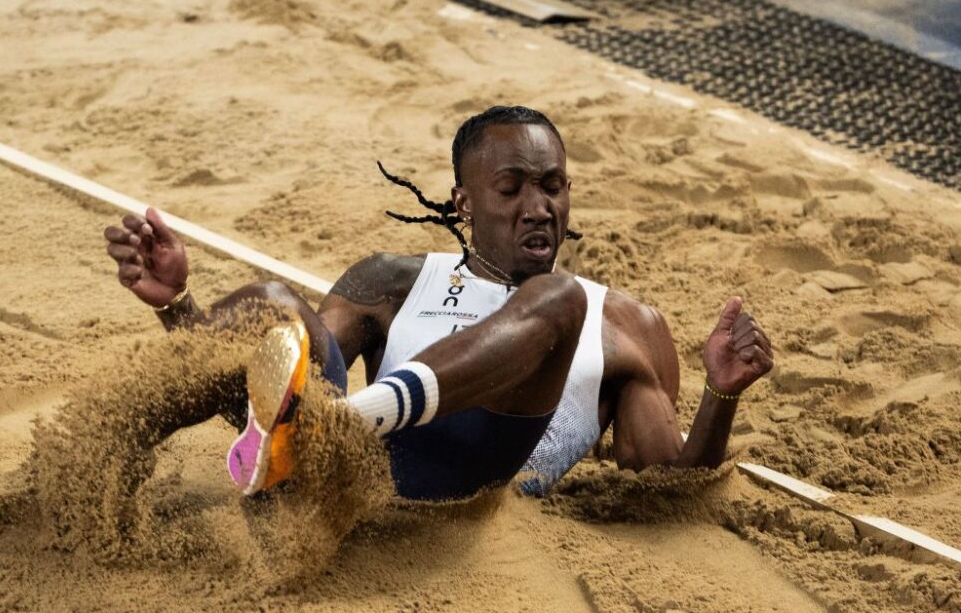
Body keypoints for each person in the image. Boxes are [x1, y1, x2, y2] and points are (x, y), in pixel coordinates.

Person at [103, 106, 774, 502]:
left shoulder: (624, 323)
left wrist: (721, 393)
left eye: (553, 186)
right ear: (464, 202)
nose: (538, 207)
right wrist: (178, 307)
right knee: (270, 303)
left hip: (465, 487)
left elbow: (665, 484)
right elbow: (278, 383)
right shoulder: (391, 282)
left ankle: (350, 420)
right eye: (511, 189)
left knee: (556, 296)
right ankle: (104, 461)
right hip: (357, 479)